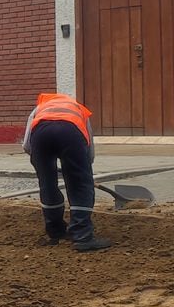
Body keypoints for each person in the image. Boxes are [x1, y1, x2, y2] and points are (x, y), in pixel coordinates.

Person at [23, 92, 111, 252]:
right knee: (80, 186)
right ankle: (82, 236)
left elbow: (27, 146)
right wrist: (83, 171)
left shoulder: (39, 108)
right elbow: (88, 147)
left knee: (47, 185)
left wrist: (46, 168)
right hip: (70, 132)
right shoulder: (78, 109)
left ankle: (55, 231)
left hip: (41, 135)